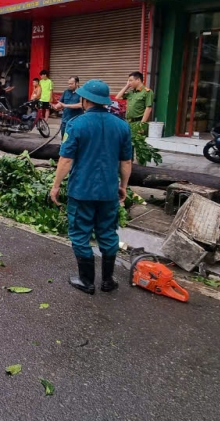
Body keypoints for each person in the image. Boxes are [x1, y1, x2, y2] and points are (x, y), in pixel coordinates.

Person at [49, 80, 133, 295]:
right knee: (107, 233)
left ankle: (87, 281)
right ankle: (107, 280)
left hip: (81, 190)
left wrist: (56, 186)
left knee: (80, 234)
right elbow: (126, 162)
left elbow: (66, 160)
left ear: (86, 100)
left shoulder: (76, 124)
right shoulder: (122, 126)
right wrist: (123, 186)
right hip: (108, 191)